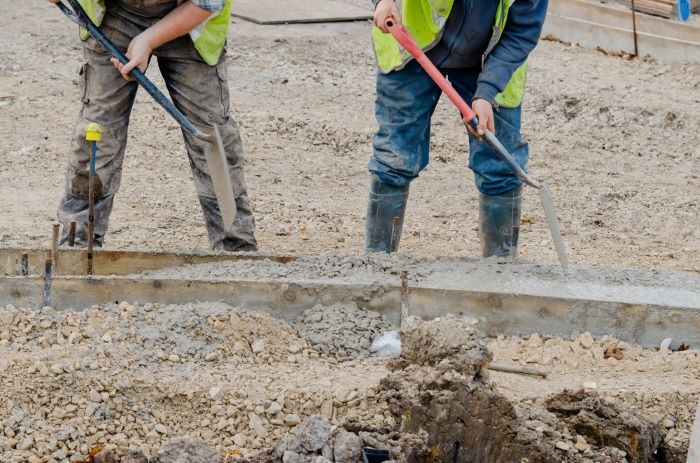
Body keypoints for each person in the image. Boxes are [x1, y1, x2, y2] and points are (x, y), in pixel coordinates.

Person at [49, 0, 257, 252]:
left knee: (210, 135)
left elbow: (208, 2)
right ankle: (77, 243)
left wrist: (147, 41)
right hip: (117, 15)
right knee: (97, 132)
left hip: (191, 20)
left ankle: (236, 248)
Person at [365, 0, 547, 259]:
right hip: (411, 42)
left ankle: (499, 275)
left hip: (490, 58)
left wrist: (487, 91)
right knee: (394, 154)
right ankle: (375, 268)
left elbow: (522, 30)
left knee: (499, 165)